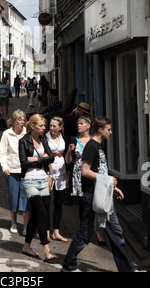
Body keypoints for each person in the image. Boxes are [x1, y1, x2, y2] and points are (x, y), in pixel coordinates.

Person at [62, 116, 145, 272]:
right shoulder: (92, 147)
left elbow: (101, 172)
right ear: (100, 130)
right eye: (109, 129)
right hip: (93, 196)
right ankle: (68, 264)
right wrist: (106, 180)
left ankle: (128, 269)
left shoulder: (98, 147)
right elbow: (85, 171)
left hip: (103, 195)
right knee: (85, 233)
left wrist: (113, 188)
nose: (111, 132)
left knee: (116, 234)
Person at [19, 114, 58, 262]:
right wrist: (42, 160)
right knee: (42, 213)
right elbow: (23, 163)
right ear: (33, 126)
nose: (44, 128)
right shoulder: (24, 141)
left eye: (44, 126)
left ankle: (26, 246)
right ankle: (46, 249)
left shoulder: (43, 139)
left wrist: (36, 159)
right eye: (41, 126)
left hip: (43, 179)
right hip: (30, 180)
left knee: (36, 215)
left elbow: (52, 158)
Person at [65, 115, 106, 245]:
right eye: (78, 124)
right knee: (83, 204)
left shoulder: (94, 142)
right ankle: (84, 231)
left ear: (88, 126)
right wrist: (69, 151)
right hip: (78, 176)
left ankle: (97, 231)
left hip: (92, 174)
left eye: (81, 123)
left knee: (95, 202)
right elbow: (68, 161)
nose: (79, 125)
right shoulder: (74, 140)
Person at [0, 110, 30, 235]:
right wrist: (5, 167)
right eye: (19, 119)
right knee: (13, 196)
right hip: (12, 170)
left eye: (23, 120)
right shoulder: (7, 134)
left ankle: (26, 225)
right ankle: (13, 222)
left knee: (26, 198)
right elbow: (3, 152)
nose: (22, 122)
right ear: (14, 120)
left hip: (26, 170)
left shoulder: (27, 134)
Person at [46, 116, 69, 242]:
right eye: (50, 125)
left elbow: (66, 155)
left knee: (59, 203)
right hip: (48, 174)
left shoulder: (64, 138)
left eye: (55, 126)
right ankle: (46, 231)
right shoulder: (45, 137)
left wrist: (68, 174)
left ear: (60, 127)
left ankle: (56, 231)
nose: (52, 128)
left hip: (61, 174)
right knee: (46, 203)